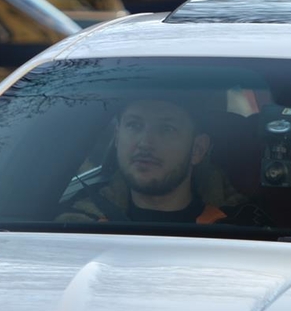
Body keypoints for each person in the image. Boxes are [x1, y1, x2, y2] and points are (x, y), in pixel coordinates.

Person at [58, 95, 269, 226]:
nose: (145, 143)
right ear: (116, 137)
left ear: (197, 149)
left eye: (166, 129)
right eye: (134, 125)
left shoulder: (241, 228)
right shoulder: (75, 223)